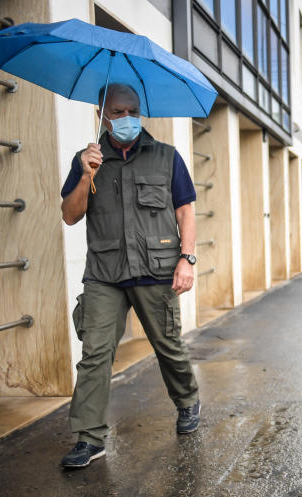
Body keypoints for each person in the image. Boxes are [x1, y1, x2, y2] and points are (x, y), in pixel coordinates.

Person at [58, 83, 201, 469]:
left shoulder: (166, 157)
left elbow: (185, 211)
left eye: (132, 111)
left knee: (167, 345)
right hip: (105, 273)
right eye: (118, 112)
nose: (126, 119)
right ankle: (90, 438)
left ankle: (188, 401)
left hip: (155, 269)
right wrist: (87, 174)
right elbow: (70, 215)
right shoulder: (87, 159)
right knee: (95, 354)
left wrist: (186, 259)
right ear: (102, 115)